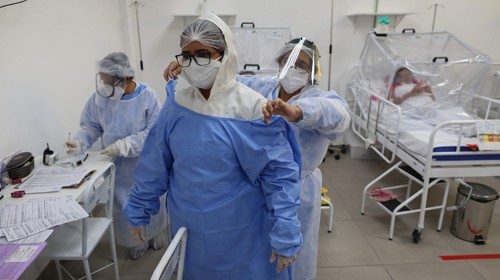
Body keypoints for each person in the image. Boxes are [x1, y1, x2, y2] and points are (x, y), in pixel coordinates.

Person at [124, 13, 303, 279]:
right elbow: (155, 160)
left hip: (242, 232)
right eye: (187, 55)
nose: (194, 63)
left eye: (204, 54)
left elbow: (278, 177)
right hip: (189, 229)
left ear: (224, 55)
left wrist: (286, 229)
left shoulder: (251, 107)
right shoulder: (178, 103)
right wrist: (140, 206)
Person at [165, 37, 350, 280]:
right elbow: (227, 82)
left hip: (299, 188)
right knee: (262, 251)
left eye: (302, 65)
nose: (293, 69)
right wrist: (193, 67)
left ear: (314, 70)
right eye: (287, 61)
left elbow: (338, 116)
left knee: (297, 253)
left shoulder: (322, 98)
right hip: (260, 185)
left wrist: (297, 111)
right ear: (279, 62)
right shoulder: (263, 87)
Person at [65, 52, 167, 260]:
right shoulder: (100, 98)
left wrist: (124, 145)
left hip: (146, 163)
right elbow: (91, 126)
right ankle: (135, 242)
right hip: (118, 168)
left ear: (123, 79)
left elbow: (154, 132)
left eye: (107, 80)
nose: (103, 84)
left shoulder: (147, 96)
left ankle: (155, 234)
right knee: (123, 206)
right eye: (101, 78)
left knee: (150, 201)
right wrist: (80, 142)